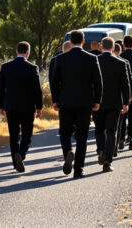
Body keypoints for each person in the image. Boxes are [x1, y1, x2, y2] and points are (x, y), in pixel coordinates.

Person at [50, 30, 103, 178]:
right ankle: (78, 169)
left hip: (66, 102)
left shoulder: (60, 59)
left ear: (71, 41)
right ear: (83, 41)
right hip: (85, 103)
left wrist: (55, 100)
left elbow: (54, 82)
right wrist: (97, 100)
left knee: (65, 133)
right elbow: (98, 83)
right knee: (82, 137)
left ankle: (68, 151)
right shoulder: (92, 58)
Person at [0, 41, 43, 173]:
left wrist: (1, 106)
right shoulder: (33, 68)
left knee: (13, 135)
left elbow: (0, 88)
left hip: (11, 106)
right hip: (28, 107)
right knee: (27, 134)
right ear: (27, 53)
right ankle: (21, 154)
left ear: (16, 51)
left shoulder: (5, 67)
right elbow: (37, 90)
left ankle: (15, 162)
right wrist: (39, 107)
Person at [93, 37, 130, 172]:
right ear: (113, 48)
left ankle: (100, 150)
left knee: (99, 129)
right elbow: (126, 85)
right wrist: (126, 102)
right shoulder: (121, 63)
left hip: (98, 102)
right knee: (112, 131)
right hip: (115, 102)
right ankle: (108, 160)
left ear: (101, 47)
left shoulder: (95, 60)